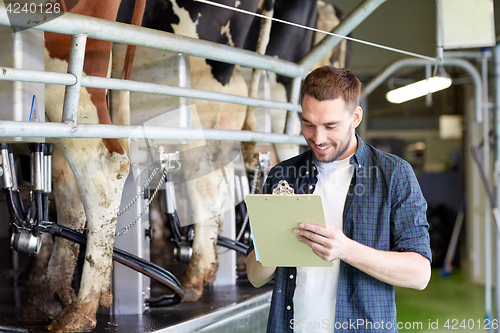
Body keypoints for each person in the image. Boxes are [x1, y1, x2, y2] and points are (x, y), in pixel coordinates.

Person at [246, 66, 431, 333]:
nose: (318, 138)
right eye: (308, 124)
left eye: (330, 126)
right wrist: (275, 247)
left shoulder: (393, 175)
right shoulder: (283, 175)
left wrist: (345, 250)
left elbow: (419, 273)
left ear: (356, 117)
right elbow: (254, 276)